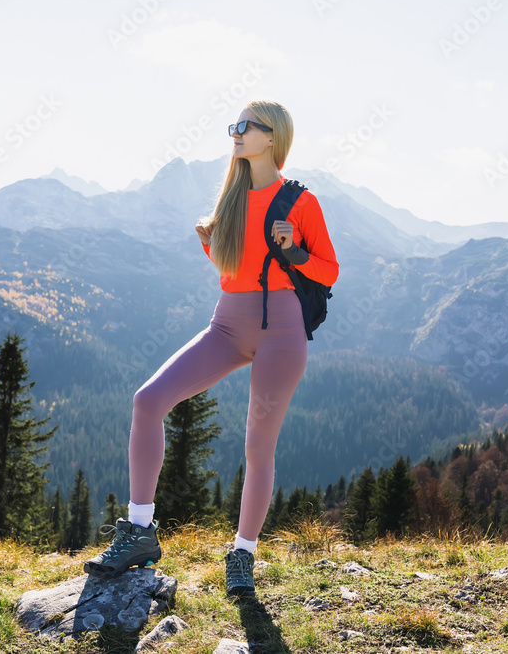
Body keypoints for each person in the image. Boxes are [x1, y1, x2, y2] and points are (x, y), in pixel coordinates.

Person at [84, 99, 339, 597]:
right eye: (235, 127)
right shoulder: (233, 195)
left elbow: (327, 271)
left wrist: (294, 250)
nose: (236, 134)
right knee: (147, 400)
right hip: (225, 325)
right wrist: (209, 242)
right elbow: (234, 270)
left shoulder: (300, 202)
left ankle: (242, 555)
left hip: (281, 332)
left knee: (257, 445)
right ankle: (139, 532)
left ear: (272, 137)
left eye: (246, 127)